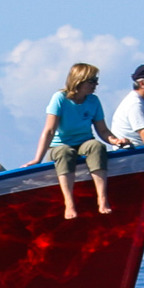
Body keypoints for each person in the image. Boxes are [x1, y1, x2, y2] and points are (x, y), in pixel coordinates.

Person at [33, 62, 121, 218]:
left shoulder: (93, 101)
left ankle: (102, 198)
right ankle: (69, 203)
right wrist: (37, 159)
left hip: (84, 143)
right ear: (79, 81)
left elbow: (102, 130)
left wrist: (115, 141)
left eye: (96, 81)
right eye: (92, 81)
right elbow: (49, 130)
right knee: (65, 152)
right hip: (60, 146)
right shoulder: (60, 98)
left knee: (96, 146)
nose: (95, 84)